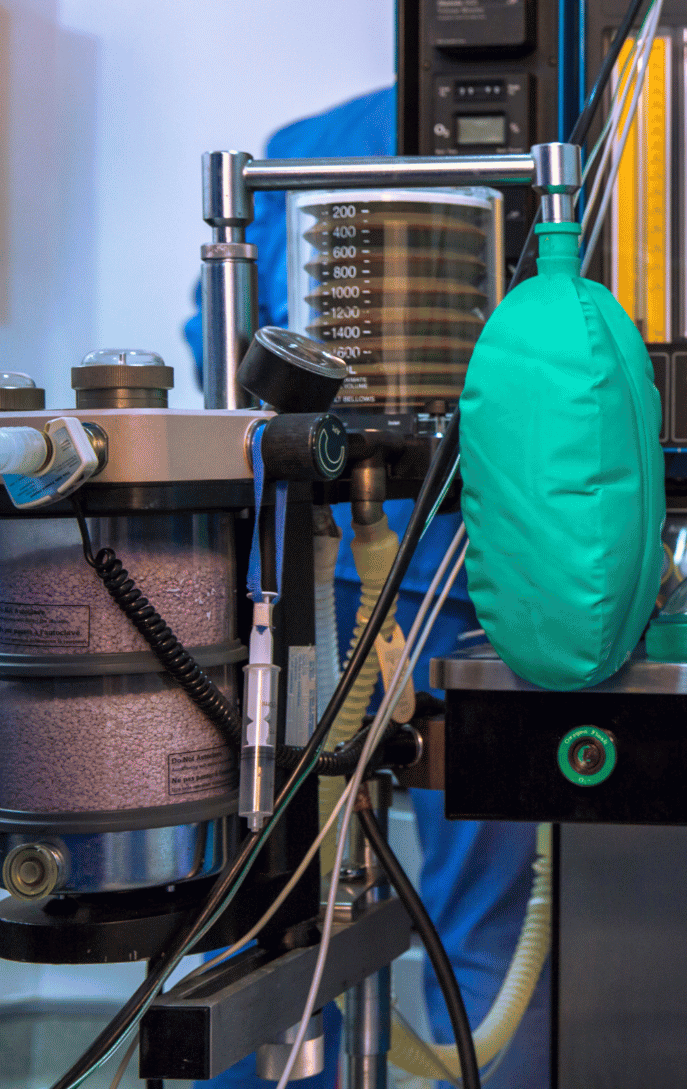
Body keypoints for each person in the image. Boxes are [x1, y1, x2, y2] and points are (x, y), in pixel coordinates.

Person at [182, 88, 550, 1089]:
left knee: (286, 898)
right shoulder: (558, 129)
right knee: (487, 918)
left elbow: (227, 355)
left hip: (322, 583)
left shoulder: (311, 148)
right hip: (486, 583)